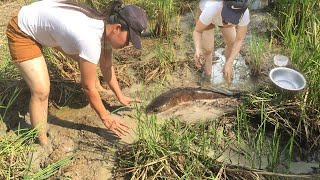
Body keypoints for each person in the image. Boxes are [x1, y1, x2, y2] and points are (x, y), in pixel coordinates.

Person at [6, 0, 148, 146]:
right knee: (41, 91)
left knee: (86, 60)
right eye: (129, 39)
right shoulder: (89, 38)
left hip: (45, 25)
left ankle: (99, 86)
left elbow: (106, 65)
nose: (128, 44)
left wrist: (120, 96)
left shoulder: (104, 25)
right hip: (22, 30)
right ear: (117, 28)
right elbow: (87, 87)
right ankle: (42, 140)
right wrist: (106, 117)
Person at [193, 0, 250, 83]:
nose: (228, 22)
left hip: (221, 13)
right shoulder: (211, 8)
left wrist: (230, 62)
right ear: (223, 3)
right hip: (210, 15)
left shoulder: (244, 13)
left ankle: (226, 69)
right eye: (228, 16)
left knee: (232, 44)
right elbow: (197, 31)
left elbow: (239, 40)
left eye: (233, 18)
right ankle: (208, 78)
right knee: (207, 49)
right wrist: (198, 49)